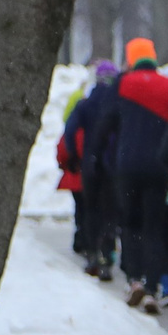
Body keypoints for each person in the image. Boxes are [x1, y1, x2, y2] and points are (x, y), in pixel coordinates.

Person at [104, 38, 168, 311]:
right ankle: (152, 287)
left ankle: (134, 279)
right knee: (154, 226)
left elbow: (107, 122)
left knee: (130, 224)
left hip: (127, 166)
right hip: (158, 167)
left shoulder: (123, 84)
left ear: (131, 59)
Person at [58, 60, 119, 275]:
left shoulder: (85, 103)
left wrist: (75, 155)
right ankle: (107, 255)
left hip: (90, 164)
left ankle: (92, 254)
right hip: (113, 165)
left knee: (91, 209)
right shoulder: (118, 103)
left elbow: (70, 129)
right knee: (109, 212)